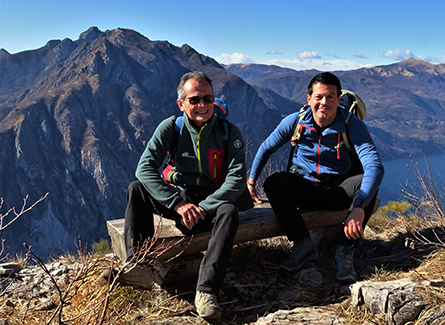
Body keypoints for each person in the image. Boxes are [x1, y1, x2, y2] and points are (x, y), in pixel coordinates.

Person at [123, 71, 246, 322]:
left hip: (210, 201)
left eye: (208, 99)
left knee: (229, 212)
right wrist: (177, 204)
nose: (202, 105)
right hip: (179, 198)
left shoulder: (228, 132)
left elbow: (236, 178)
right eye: (194, 99)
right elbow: (144, 168)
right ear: (181, 104)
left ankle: (207, 292)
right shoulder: (170, 127)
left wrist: (205, 207)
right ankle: (137, 265)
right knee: (136, 188)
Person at [247, 72, 384, 283]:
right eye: (319, 97)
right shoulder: (296, 122)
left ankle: (345, 249)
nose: (324, 103)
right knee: (275, 182)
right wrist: (252, 180)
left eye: (330, 97)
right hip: (305, 188)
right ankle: (303, 244)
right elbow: (266, 148)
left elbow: (374, 165)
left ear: (339, 100)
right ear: (309, 98)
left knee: (368, 184)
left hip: (339, 190)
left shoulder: (351, 124)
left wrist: (359, 206)